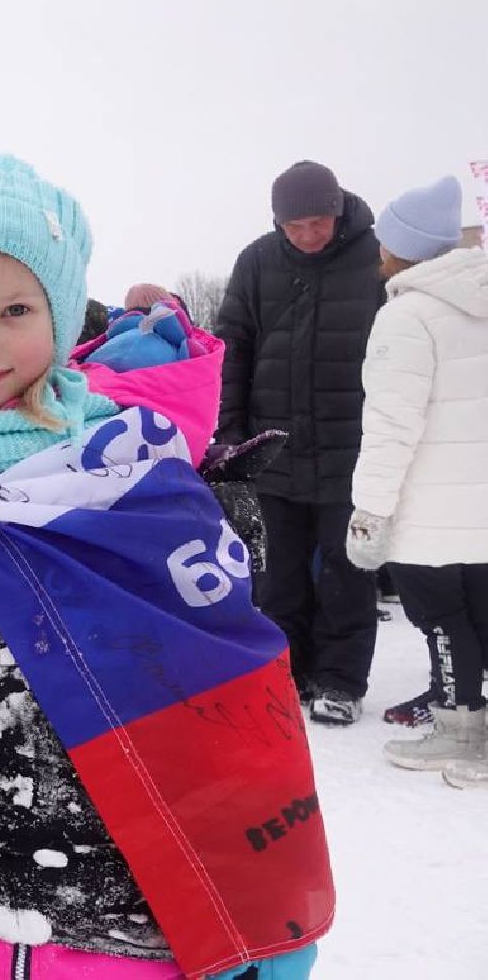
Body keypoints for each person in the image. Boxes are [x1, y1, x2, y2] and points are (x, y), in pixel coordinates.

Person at [0, 155, 327, 980]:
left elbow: (220, 691)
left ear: (58, 315)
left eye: (15, 310)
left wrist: (264, 903)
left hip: (119, 905)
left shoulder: (121, 476)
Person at [214, 160, 386, 726]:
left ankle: (340, 681)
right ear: (278, 222)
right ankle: (289, 671)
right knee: (277, 576)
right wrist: (232, 432)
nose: (309, 235)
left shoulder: (375, 258)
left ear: (338, 211)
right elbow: (233, 349)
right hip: (276, 450)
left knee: (347, 572)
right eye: (296, 226)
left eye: (319, 222)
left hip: (352, 448)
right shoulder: (257, 261)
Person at [345, 177, 488, 788]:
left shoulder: (406, 316)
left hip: (428, 513)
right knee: (482, 614)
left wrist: (369, 514)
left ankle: (461, 732)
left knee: (441, 620)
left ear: (404, 247)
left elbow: (390, 427)